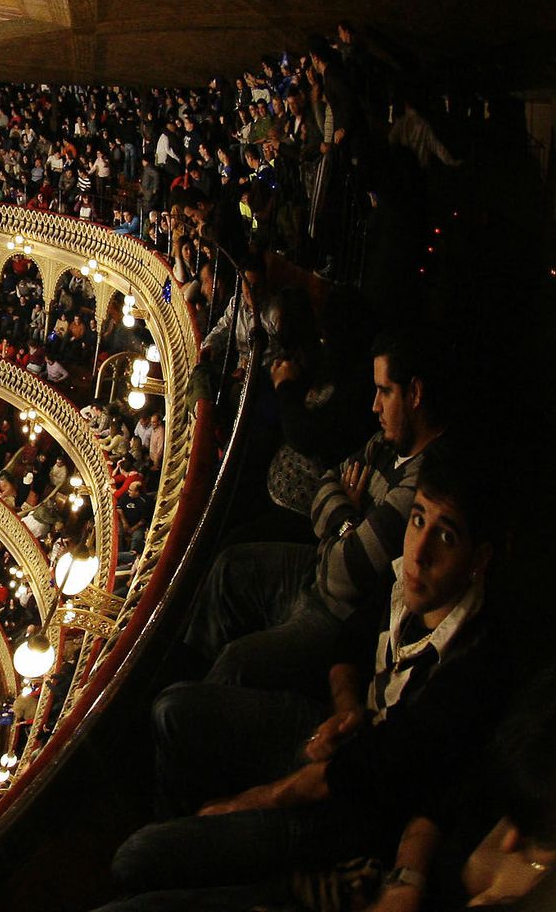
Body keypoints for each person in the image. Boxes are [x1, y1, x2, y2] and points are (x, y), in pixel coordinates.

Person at [100, 439, 510, 911]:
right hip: (339, 741)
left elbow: (383, 770)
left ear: (479, 560)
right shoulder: (405, 579)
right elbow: (348, 643)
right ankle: (184, 845)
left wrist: (252, 801)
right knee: (171, 709)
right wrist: (347, 706)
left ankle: (229, 869)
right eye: (418, 519)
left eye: (447, 536)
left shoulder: (476, 664)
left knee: (135, 858)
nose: (418, 553)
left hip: (350, 806)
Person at [184, 330, 451, 693]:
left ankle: (196, 702)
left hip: (337, 613)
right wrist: (348, 522)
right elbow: (324, 485)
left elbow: (345, 576)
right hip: (318, 568)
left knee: (235, 663)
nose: (375, 406)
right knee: (229, 566)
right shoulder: (386, 442)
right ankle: (189, 673)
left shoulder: (425, 481)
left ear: (415, 393)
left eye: (385, 392)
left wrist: (338, 525)